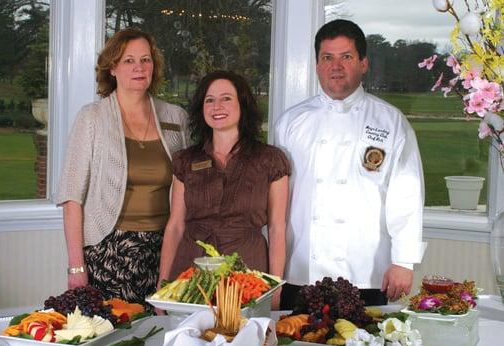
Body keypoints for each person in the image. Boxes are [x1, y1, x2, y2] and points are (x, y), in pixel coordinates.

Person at [274, 19, 427, 308]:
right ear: (317, 64)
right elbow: (275, 200)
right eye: (327, 57)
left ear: (364, 63)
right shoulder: (290, 123)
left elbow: (406, 194)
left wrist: (404, 260)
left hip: (366, 272)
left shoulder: (391, 121)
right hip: (300, 268)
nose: (336, 66)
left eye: (346, 57)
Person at [56, 28, 189, 304]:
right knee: (114, 339)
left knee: (164, 338)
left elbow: (189, 187)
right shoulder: (92, 117)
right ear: (112, 68)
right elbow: (72, 198)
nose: (139, 68)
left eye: (146, 59)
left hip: (165, 252)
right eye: (129, 61)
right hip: (108, 251)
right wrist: (76, 268)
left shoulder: (176, 118)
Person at [158, 70, 290, 308]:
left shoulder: (270, 160)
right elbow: (176, 225)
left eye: (226, 98)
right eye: (210, 100)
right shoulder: (185, 161)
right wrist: (163, 286)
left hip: (248, 271)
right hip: (191, 271)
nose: (217, 106)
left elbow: (278, 228)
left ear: (243, 105)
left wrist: (276, 289)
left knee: (242, 342)